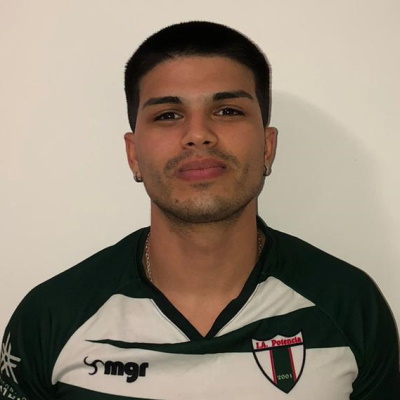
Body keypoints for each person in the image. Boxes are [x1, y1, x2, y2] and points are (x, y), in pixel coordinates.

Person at [1, 21, 399, 400]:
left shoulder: (349, 305)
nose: (198, 135)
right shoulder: (52, 317)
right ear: (133, 155)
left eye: (227, 111)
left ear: (267, 148)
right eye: (167, 115)